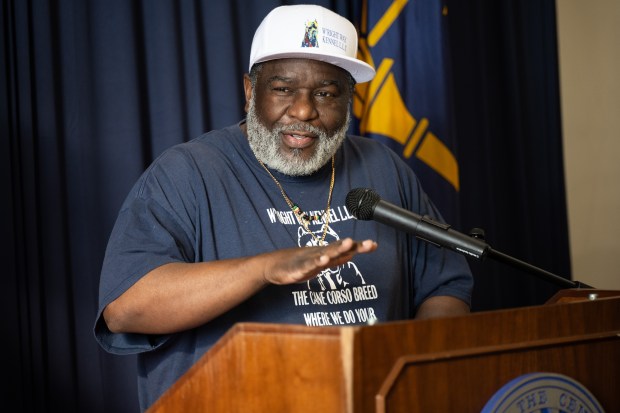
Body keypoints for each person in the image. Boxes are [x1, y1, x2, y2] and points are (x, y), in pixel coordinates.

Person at [94, 4, 473, 411]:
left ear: (349, 100)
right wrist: (265, 269)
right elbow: (125, 309)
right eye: (283, 89)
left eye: (326, 93)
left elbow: (444, 286)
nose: (304, 110)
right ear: (249, 92)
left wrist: (420, 374)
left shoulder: (382, 167)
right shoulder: (187, 173)